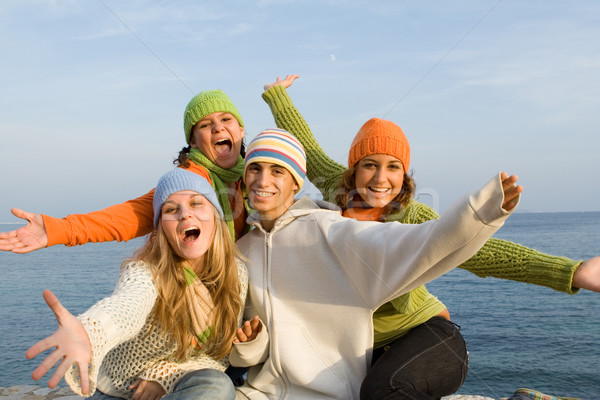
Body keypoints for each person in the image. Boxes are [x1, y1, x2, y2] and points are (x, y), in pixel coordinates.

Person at [260, 75, 600, 399]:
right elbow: (302, 140)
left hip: (429, 336)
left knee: (383, 391)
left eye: (393, 166)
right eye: (370, 164)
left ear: (404, 173)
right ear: (353, 169)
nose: (381, 178)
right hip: (367, 348)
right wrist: (278, 95)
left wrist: (571, 271)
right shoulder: (336, 190)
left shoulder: (414, 217)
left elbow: (480, 252)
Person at [228, 128, 521, 400]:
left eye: (277, 170)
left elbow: (416, 243)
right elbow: (252, 345)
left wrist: (479, 212)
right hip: (263, 391)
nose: (263, 180)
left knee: (384, 389)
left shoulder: (330, 231)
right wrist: (250, 344)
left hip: (334, 389)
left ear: (295, 182)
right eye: (255, 168)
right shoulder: (243, 251)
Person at [25, 168, 250, 400]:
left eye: (196, 204)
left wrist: (164, 375)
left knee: (219, 386)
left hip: (181, 383)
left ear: (215, 216)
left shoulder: (235, 274)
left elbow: (219, 355)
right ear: (161, 227)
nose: (185, 214)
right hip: (120, 390)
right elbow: (126, 307)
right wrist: (90, 332)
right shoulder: (145, 271)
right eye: (171, 209)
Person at [0, 88, 251, 251]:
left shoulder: (254, 174)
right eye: (206, 124)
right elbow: (131, 214)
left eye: (226, 119)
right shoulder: (189, 181)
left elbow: (290, 168)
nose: (218, 128)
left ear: (240, 130)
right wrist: (60, 229)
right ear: (193, 142)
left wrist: (277, 99)